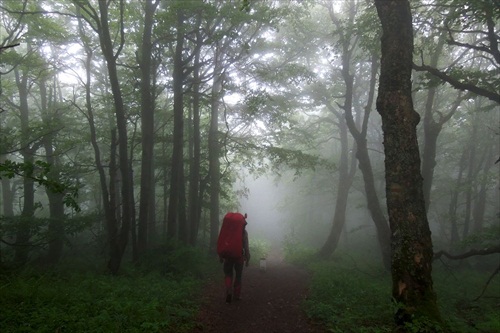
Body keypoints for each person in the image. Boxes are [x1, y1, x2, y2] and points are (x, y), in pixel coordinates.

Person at [220, 221, 250, 303]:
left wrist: (220, 256)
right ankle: (237, 295)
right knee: (238, 276)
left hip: (228, 257)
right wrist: (248, 259)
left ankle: (229, 291)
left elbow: (222, 243)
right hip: (239, 258)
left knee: (228, 274)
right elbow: (246, 247)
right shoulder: (244, 232)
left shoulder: (228, 231)